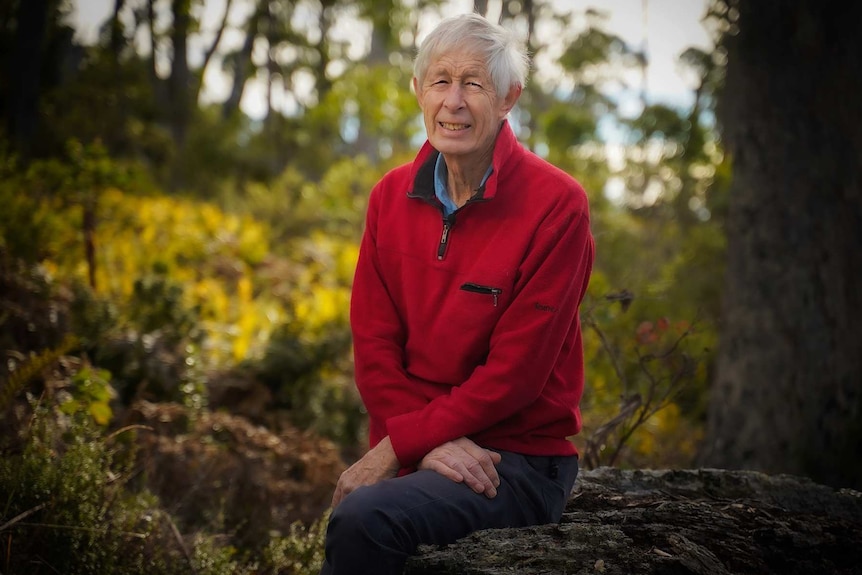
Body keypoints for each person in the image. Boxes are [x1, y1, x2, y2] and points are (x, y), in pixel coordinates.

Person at [320, 12, 595, 575]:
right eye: (441, 81)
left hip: (514, 459)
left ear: (509, 97)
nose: (455, 101)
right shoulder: (388, 198)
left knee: (363, 520)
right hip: (419, 446)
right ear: (418, 92)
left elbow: (516, 374)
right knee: (361, 517)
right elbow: (374, 348)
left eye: (474, 83)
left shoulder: (558, 206)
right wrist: (421, 443)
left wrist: (402, 445)